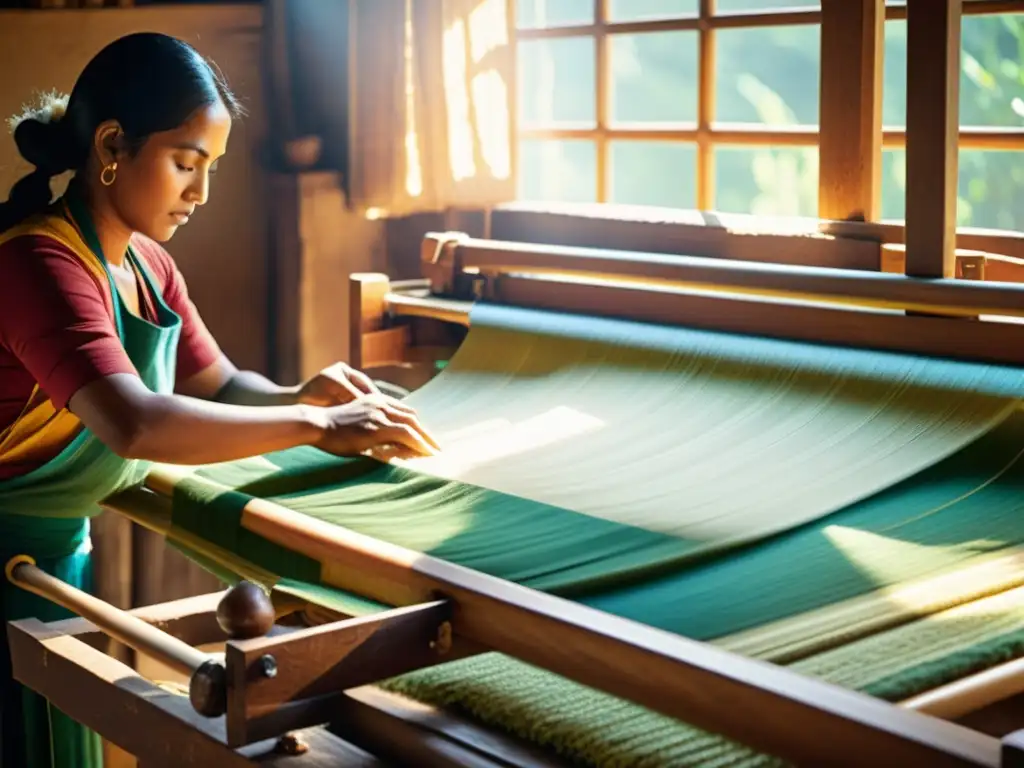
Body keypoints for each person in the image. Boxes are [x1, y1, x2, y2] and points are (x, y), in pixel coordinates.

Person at [0, 32, 438, 767]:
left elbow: (223, 385)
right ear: (112, 146)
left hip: (52, 560)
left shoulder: (149, 266)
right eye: (185, 163)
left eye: (210, 170)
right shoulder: (37, 263)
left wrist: (304, 390)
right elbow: (135, 422)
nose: (200, 193)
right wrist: (316, 422)